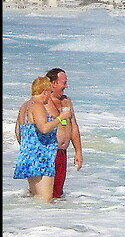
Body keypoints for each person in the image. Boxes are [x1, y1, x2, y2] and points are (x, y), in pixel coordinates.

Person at [14, 77, 67, 202]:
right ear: (45, 92)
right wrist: (61, 118)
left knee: (35, 198)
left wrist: (26, 148)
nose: (49, 97)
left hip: (28, 155)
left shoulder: (25, 106)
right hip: (41, 157)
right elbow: (43, 128)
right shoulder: (37, 106)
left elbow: (18, 131)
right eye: (49, 92)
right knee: (45, 200)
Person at [44, 68, 83, 199]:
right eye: (64, 83)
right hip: (48, 152)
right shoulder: (44, 102)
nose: (66, 86)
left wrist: (78, 152)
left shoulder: (66, 101)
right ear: (54, 83)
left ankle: (55, 217)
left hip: (62, 153)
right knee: (46, 193)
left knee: (58, 192)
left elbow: (74, 127)